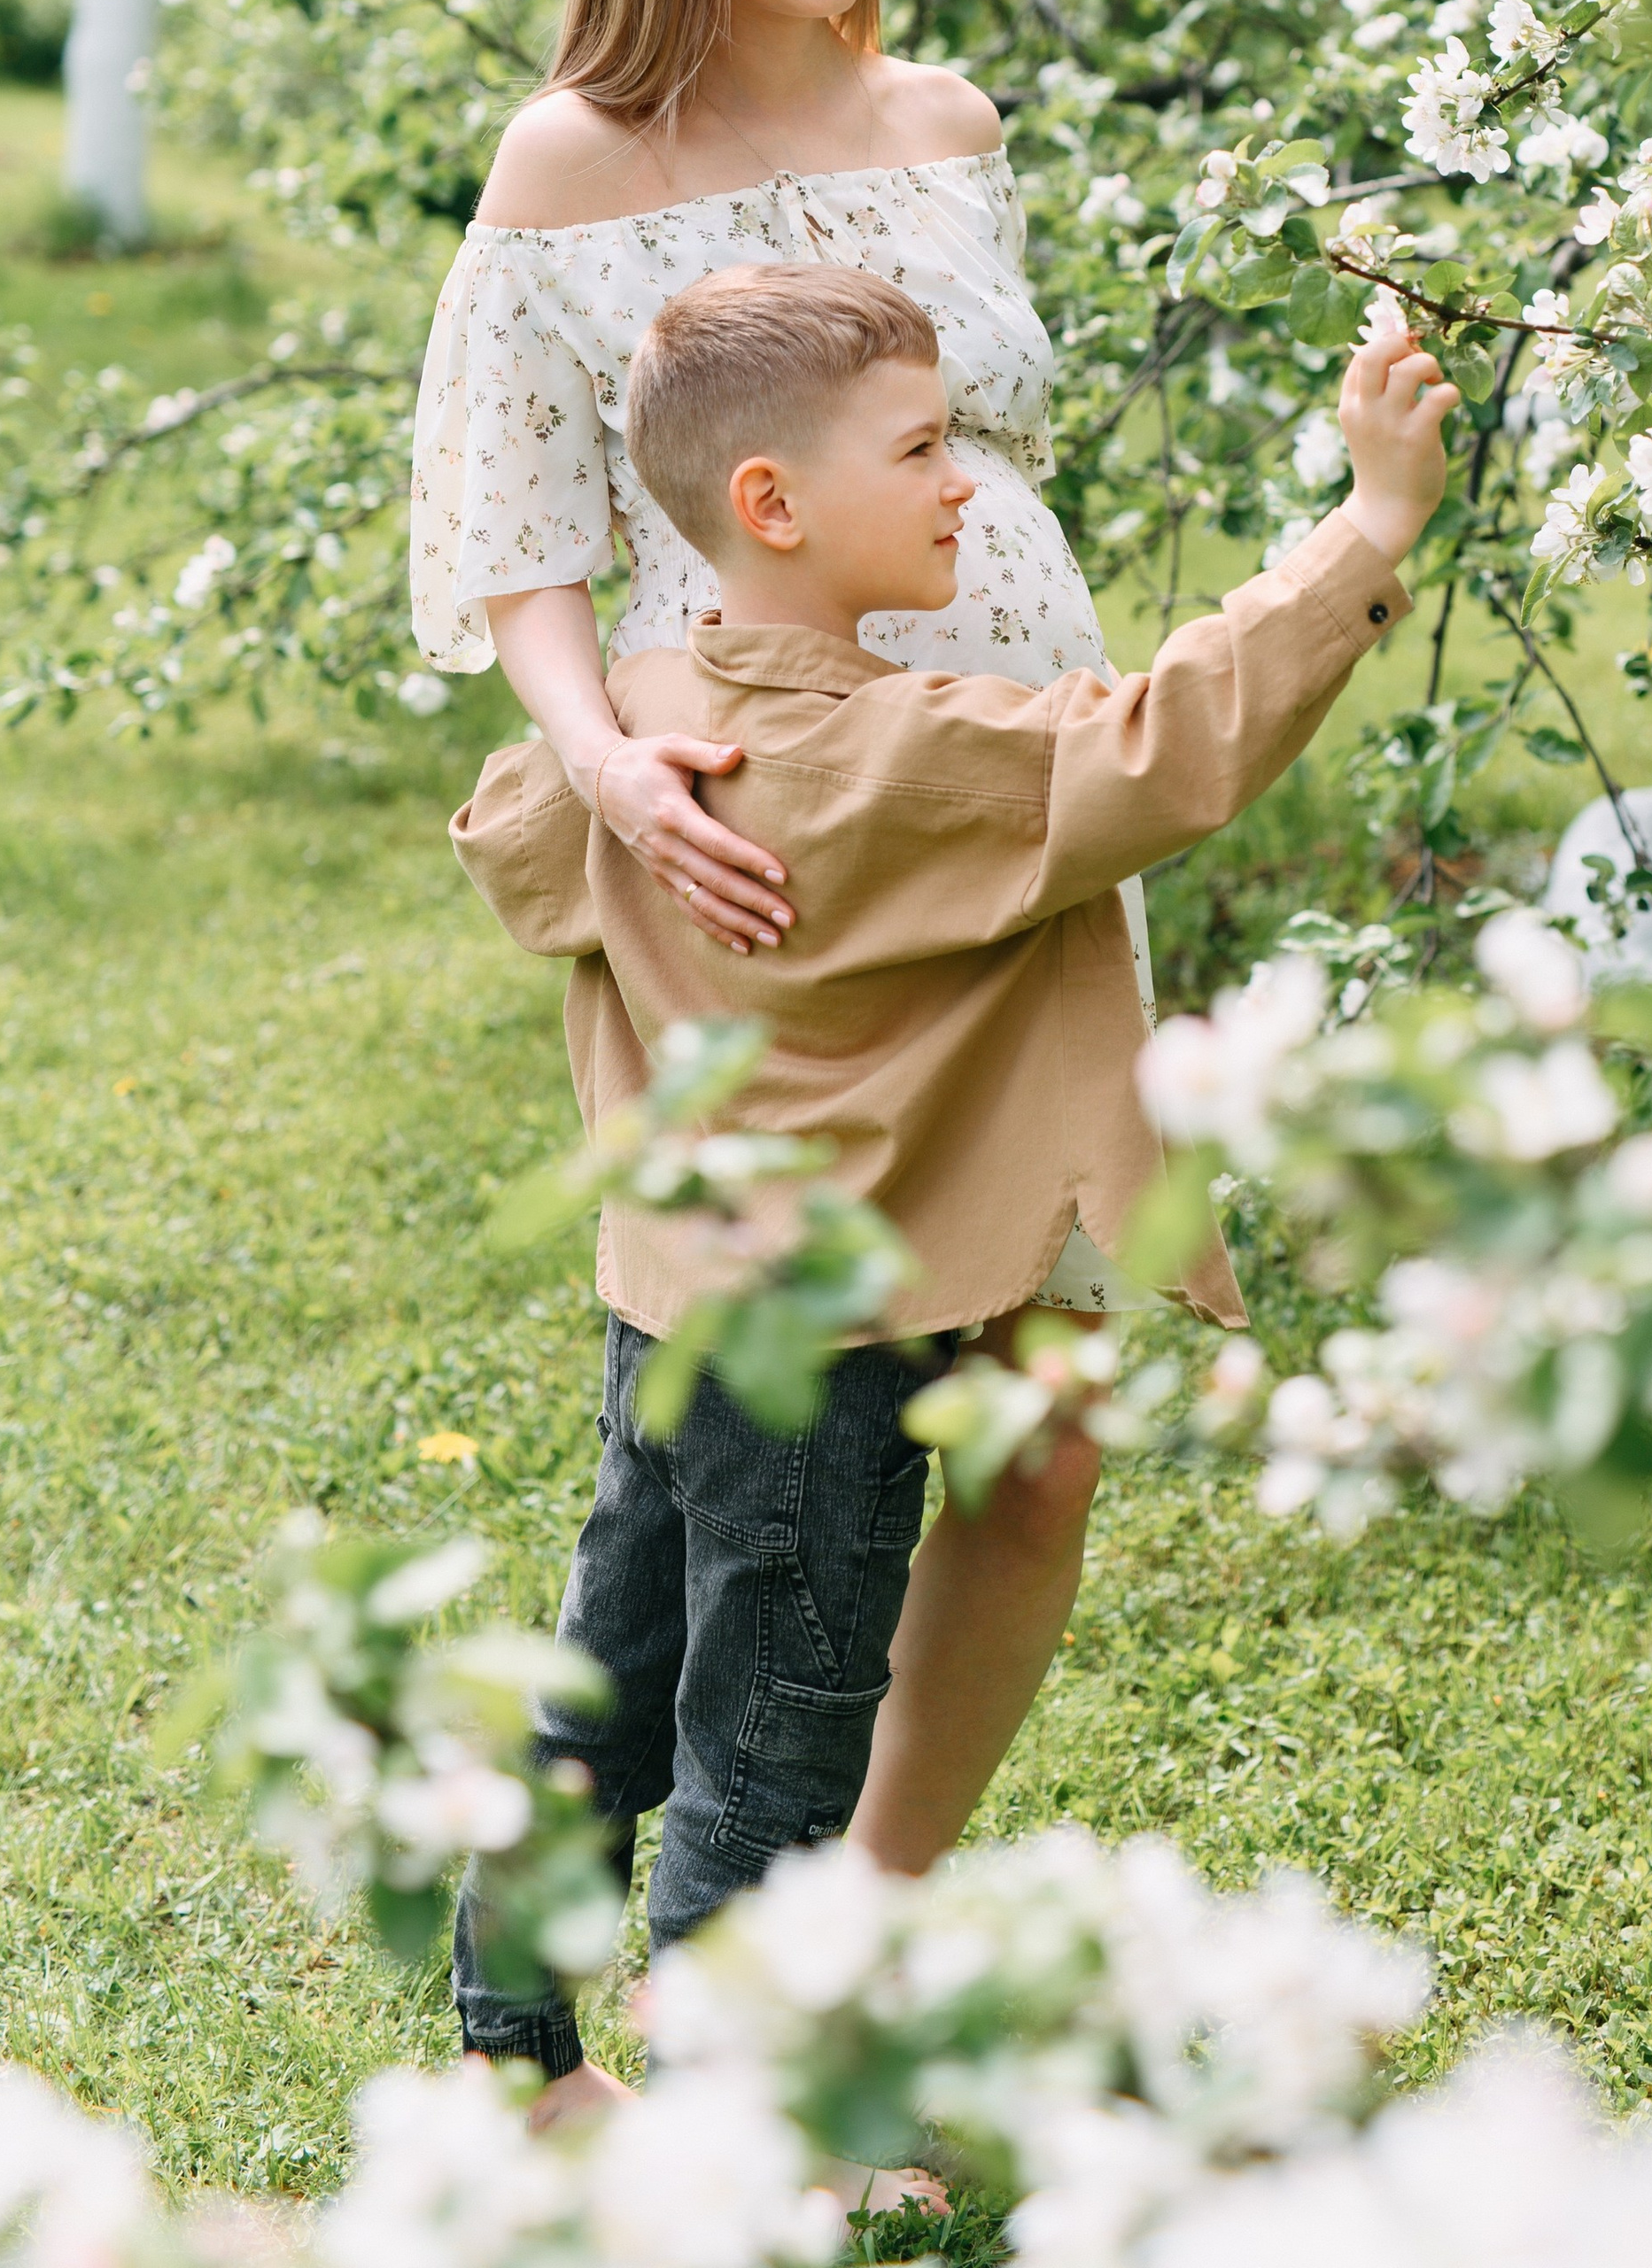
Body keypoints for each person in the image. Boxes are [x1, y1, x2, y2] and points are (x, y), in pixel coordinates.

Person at [448, 266, 1454, 2115]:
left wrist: (612, 744)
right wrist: (1370, 519)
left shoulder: (651, 750)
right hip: (828, 1346)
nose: (959, 485)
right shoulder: (894, 756)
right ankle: (749, 2118)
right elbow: (1169, 738)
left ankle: (515, 2052)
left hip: (664, 1308)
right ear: (770, 504)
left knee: (616, 1662)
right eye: (918, 449)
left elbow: (513, 836)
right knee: (779, 1723)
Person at [407, 0, 1168, 1999]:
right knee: (737, 1449)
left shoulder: (939, 122)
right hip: (762, 838)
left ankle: (861, 1940)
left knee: (1045, 1424)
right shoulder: (574, 167)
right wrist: (612, 768)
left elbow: (967, 457)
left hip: (1022, 809)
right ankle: (572, 1985)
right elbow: (518, 538)